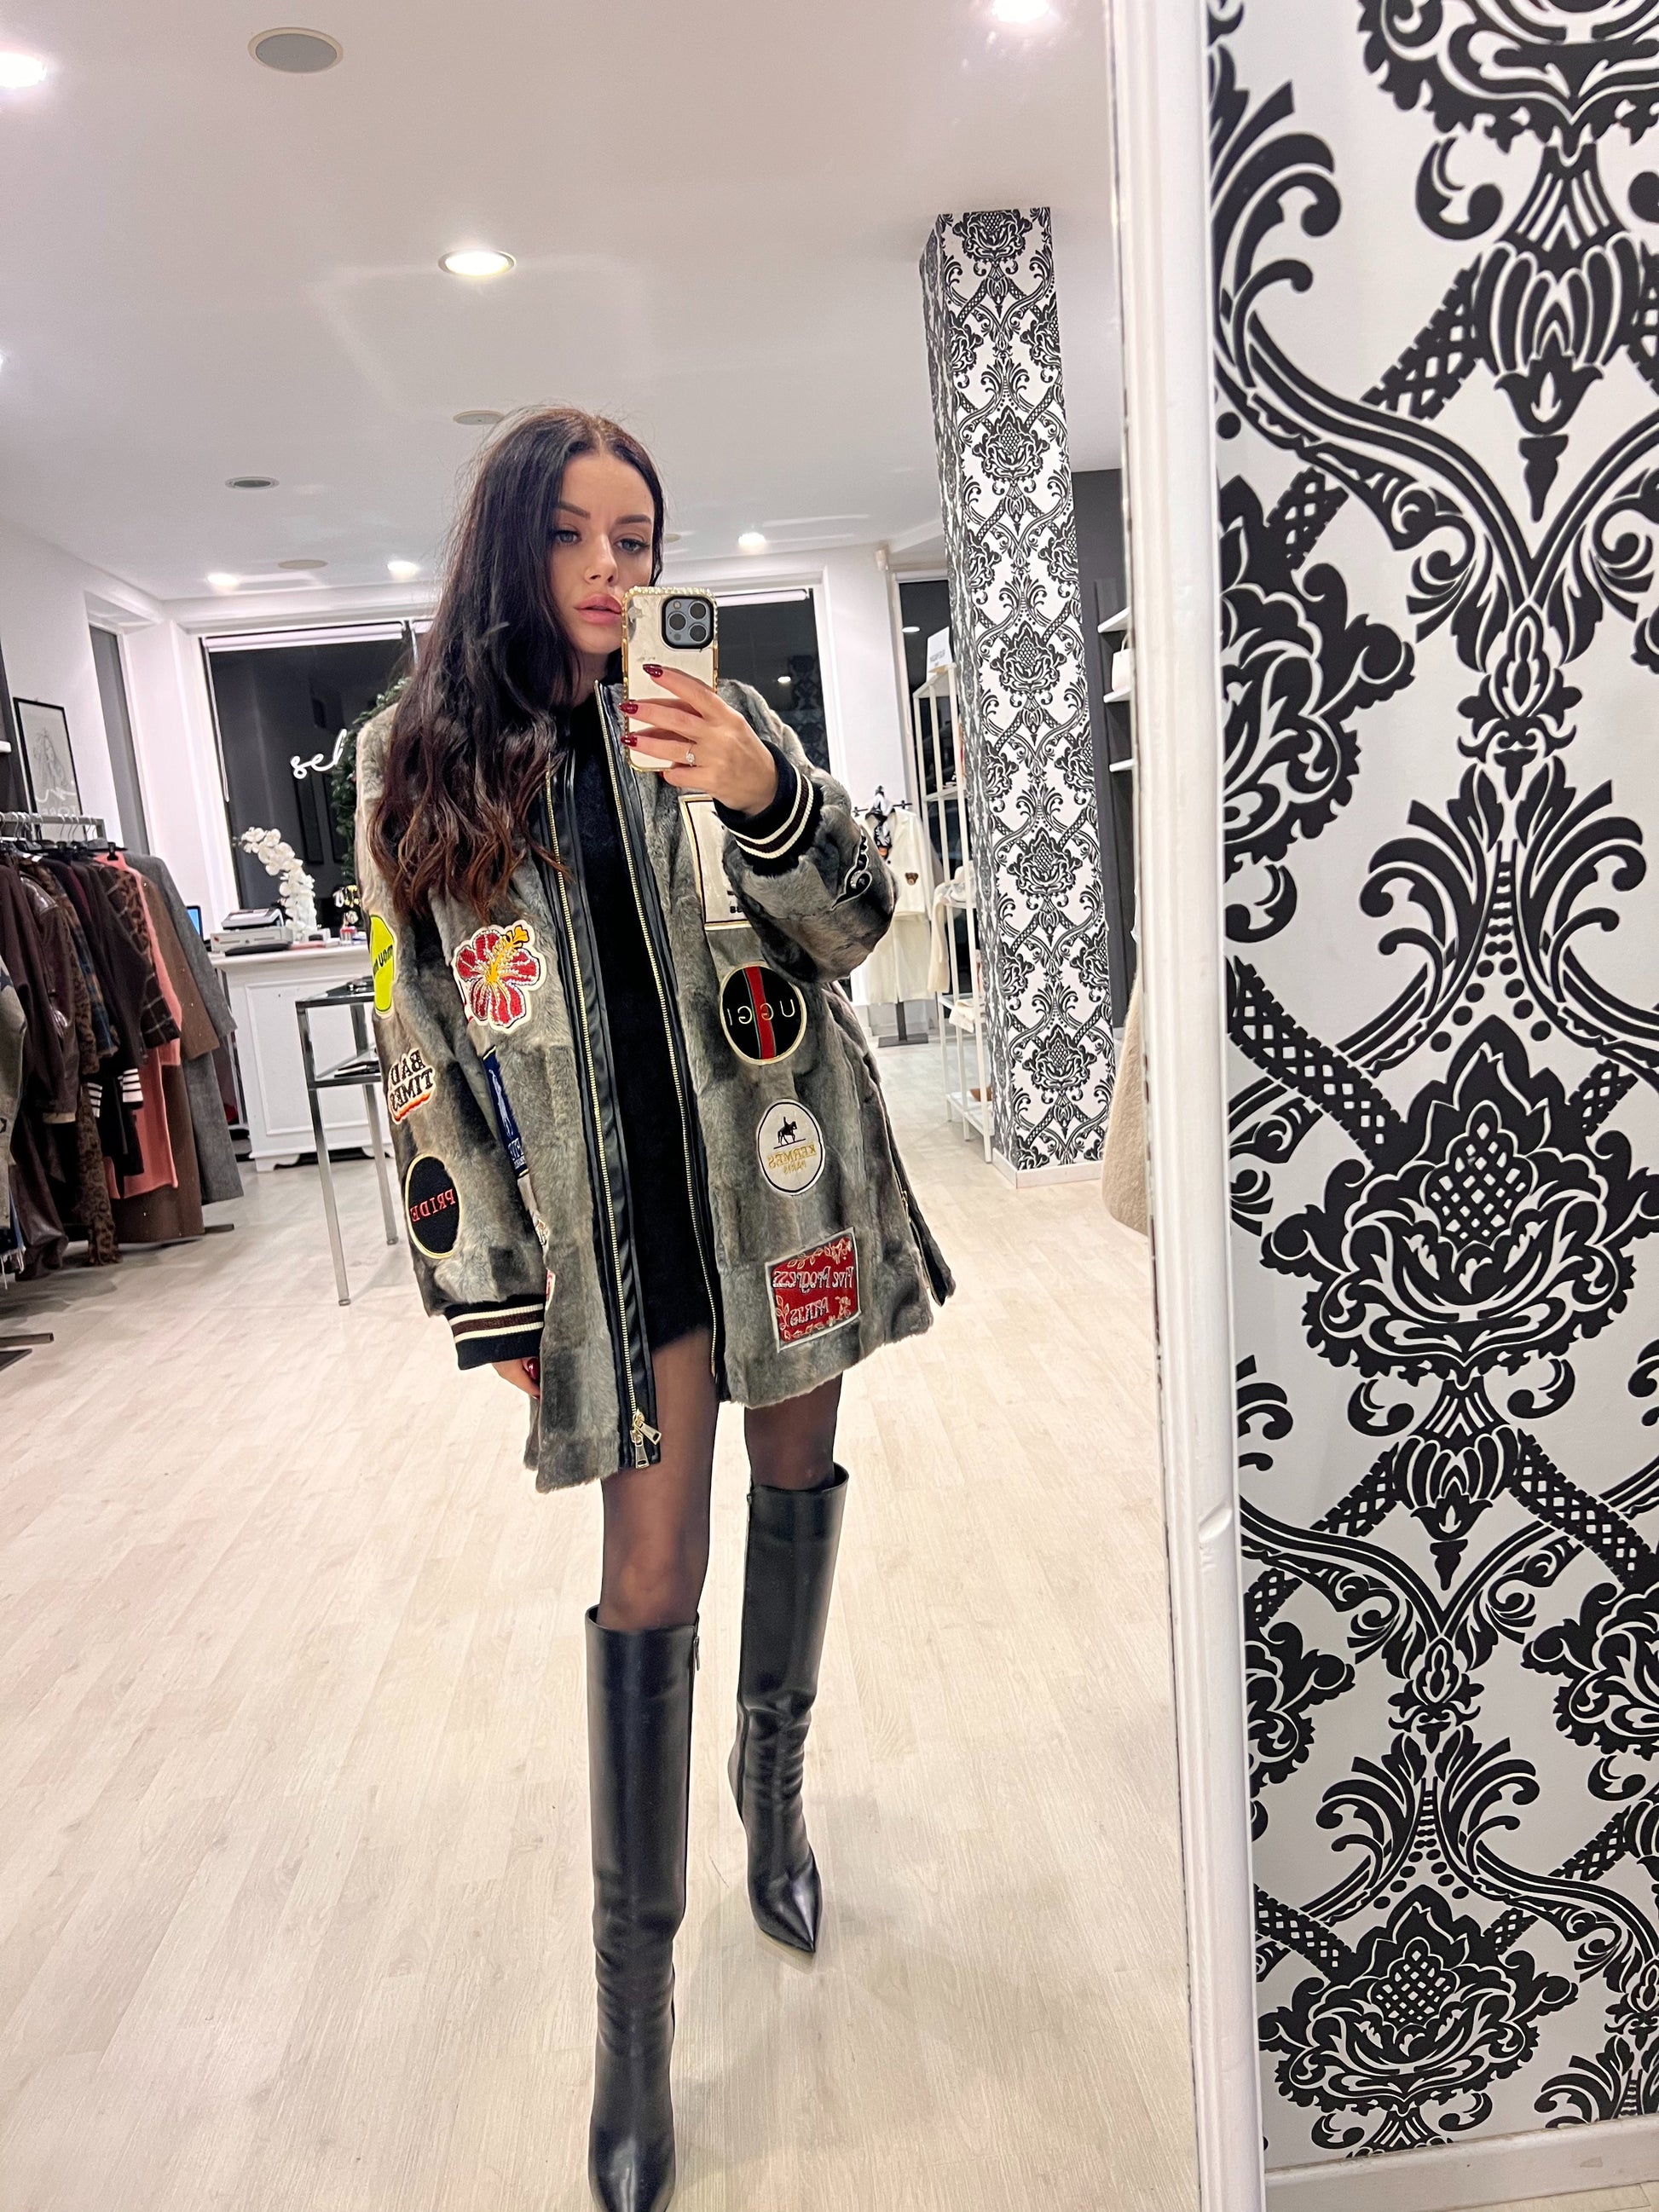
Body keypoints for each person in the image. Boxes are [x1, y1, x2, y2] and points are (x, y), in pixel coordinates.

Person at [358, 406, 952, 2212]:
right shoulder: (413, 757)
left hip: (779, 1192)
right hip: (613, 1245)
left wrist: (760, 791)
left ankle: (775, 1804)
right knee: (648, 1575)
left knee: (796, 1491)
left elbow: (855, 924)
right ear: (507, 545)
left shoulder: (714, 713)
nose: (611, 570)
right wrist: (487, 1288)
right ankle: (634, 2036)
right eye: (574, 534)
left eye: (637, 537)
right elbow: (419, 1044)